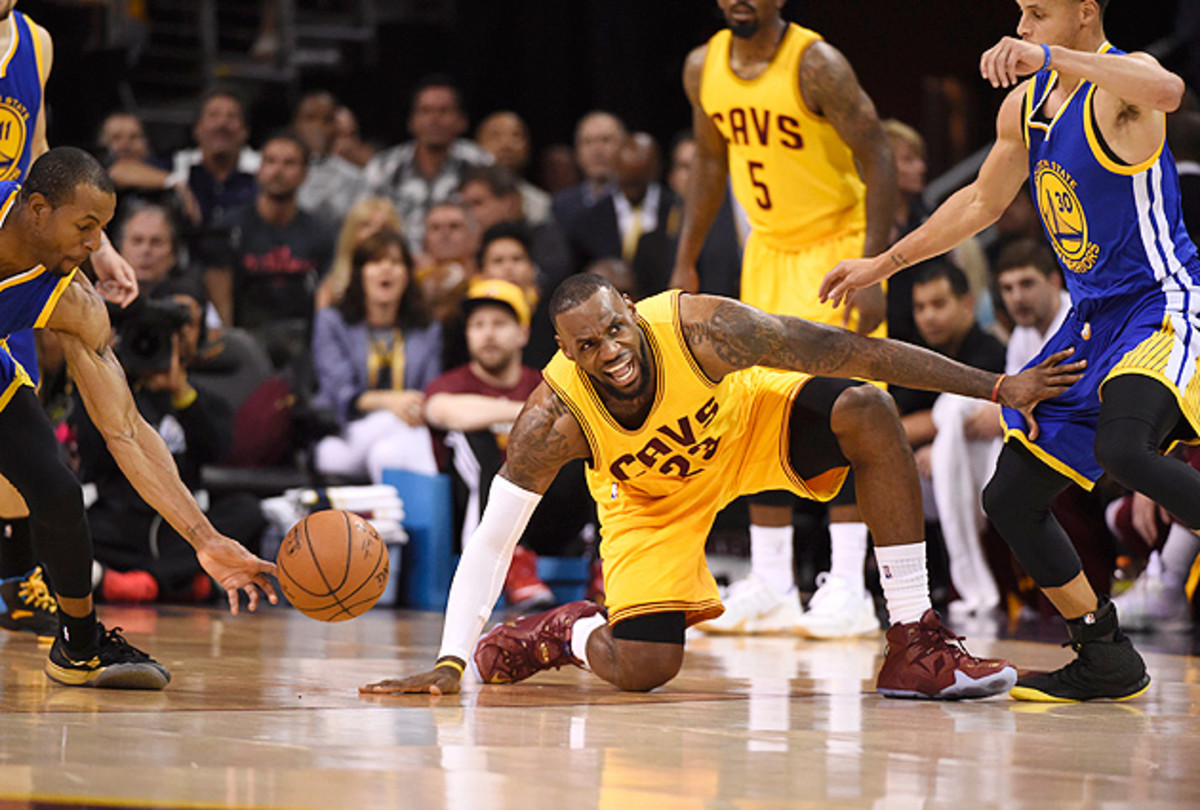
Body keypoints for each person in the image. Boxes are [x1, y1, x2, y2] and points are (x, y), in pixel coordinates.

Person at [360, 273, 1083, 698]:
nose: (610, 352)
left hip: (745, 429)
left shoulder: (705, 329)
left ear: (630, 310)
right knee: (644, 669)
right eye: (588, 346)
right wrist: (450, 661)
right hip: (650, 501)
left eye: (615, 330)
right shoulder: (551, 418)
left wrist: (996, 386)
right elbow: (493, 541)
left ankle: (914, 638)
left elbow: (850, 350)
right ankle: (566, 631)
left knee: (868, 408)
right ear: (564, 352)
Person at [820, 0, 1193, 702]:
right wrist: (882, 264)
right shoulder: (1025, 109)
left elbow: (1169, 89)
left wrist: (1052, 57)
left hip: (1161, 303)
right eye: (1020, 13)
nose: (1022, 28)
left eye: (1039, 13)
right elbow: (978, 204)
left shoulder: (1120, 87)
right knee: (1012, 496)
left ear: (1085, 14)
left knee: (1124, 448)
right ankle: (1104, 654)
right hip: (1092, 320)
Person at [0, 147, 275, 688]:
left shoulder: (71, 299)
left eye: (101, 231)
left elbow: (125, 429)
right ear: (37, 210)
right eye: (85, 227)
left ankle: (79, 647)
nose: (93, 246)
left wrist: (204, 538)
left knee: (58, 492)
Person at [669, 0, 897, 638]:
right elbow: (709, 162)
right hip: (767, 250)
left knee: (842, 407)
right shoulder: (703, 66)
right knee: (756, 407)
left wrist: (874, 264)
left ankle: (849, 586)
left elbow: (879, 155)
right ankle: (771, 582)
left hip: (835, 246)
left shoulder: (816, 64)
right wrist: (685, 258)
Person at [0, 1, 141, 642]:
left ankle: (17, 579)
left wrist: (98, 246)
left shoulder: (36, 43)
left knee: (25, 446)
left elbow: (40, 155)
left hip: (17, 247)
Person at [424, 278, 592, 610]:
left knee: (584, 444)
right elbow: (438, 410)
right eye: (478, 325)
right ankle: (512, 561)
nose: (488, 334)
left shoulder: (544, 381)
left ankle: (604, 564)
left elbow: (578, 416)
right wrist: (527, 413)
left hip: (545, 512)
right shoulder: (453, 382)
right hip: (479, 513)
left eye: (499, 324)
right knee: (471, 437)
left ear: (523, 333)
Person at [891, 263, 1007, 618]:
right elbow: (899, 412)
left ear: (967, 304)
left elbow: (959, 418)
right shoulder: (917, 353)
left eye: (939, 304)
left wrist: (928, 441)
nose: (929, 316)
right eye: (920, 307)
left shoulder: (987, 350)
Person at [310, 229, 442, 483]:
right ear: (360, 273)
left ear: (407, 274)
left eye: (395, 262)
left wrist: (410, 407)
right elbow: (340, 391)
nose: (386, 269)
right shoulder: (332, 322)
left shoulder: (427, 329)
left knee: (386, 453)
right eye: (375, 262)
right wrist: (392, 403)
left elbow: (431, 388)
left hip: (406, 433)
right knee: (399, 428)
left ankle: (395, 510)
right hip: (341, 438)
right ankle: (433, 507)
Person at [203, 131, 334, 367]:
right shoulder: (229, 227)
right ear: (259, 169)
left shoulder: (321, 233)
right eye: (270, 161)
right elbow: (219, 297)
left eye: (289, 163)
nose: (278, 171)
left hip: (305, 342)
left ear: (304, 175)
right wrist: (230, 346)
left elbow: (328, 297)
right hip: (245, 339)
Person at [360, 75, 492, 255]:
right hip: (397, 263)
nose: (434, 119)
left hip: (464, 263)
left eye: (444, 111)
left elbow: (494, 223)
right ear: (411, 121)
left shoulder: (480, 164)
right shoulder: (383, 167)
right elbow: (361, 222)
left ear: (462, 121)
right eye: (425, 111)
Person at [315, 196, 404, 310]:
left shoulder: (408, 283)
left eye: (384, 227)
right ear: (351, 232)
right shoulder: (331, 289)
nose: (375, 232)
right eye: (366, 225)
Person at [292, 90, 364, 231]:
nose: (317, 127)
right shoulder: (275, 169)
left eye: (327, 120)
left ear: (336, 127)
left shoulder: (353, 178)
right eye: (310, 119)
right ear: (296, 124)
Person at [551, 112, 626, 231]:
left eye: (606, 140)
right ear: (577, 152)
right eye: (588, 142)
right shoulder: (561, 206)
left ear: (624, 146)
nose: (597, 151)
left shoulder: (639, 198)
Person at [474, 111, 552, 226]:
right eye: (495, 136)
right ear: (477, 145)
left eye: (516, 135)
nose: (506, 145)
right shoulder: (458, 197)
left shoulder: (541, 204)